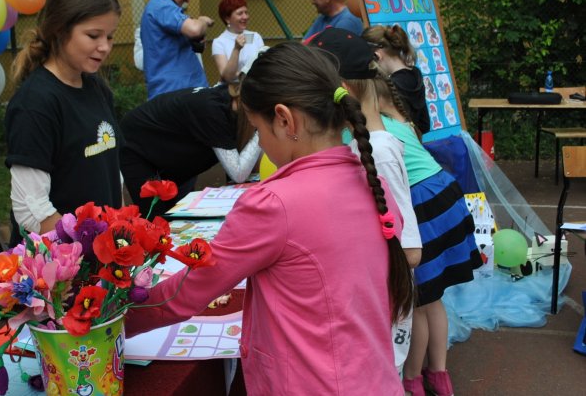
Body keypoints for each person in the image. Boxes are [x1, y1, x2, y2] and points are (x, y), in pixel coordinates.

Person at [126, 42, 414, 395]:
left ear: (284, 119)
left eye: (257, 130)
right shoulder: (373, 183)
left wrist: (114, 320)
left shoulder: (274, 204)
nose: (260, 143)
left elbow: (189, 291)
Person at [310, 27, 422, 376]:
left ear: (344, 91)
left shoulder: (378, 152)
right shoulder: (367, 145)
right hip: (374, 302)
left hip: (382, 305)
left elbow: (410, 250)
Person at [373, 75, 482, 396]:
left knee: (418, 303)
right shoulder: (397, 120)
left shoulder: (365, 132)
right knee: (433, 300)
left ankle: (412, 378)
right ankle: (439, 375)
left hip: (423, 205)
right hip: (444, 194)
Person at [4, 0, 123, 244]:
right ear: (60, 30)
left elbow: (112, 174)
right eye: (93, 35)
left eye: (110, 36)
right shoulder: (35, 103)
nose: (105, 47)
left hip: (101, 255)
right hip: (59, 262)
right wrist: (87, 251)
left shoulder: (97, 88)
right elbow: (30, 210)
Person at [118, 72, 261, 218]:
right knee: (156, 220)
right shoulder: (215, 110)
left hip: (171, 152)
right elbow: (238, 173)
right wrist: (262, 128)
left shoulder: (233, 109)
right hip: (137, 145)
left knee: (175, 216)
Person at [140, 0, 214, 99]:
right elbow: (194, 29)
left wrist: (194, 42)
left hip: (181, 91)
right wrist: (203, 21)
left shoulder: (164, 8)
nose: (188, 0)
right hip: (175, 93)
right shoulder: (161, 6)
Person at [363, 25, 431, 135]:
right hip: (415, 142)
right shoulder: (415, 74)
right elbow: (424, 125)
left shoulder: (388, 86)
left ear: (376, 56)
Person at [212, 0, 265, 83]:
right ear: (227, 19)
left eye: (246, 12)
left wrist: (238, 74)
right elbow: (227, 77)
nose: (245, 17)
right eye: (240, 13)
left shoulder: (255, 36)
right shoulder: (219, 42)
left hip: (256, 86)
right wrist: (236, 49)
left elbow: (264, 66)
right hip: (233, 89)